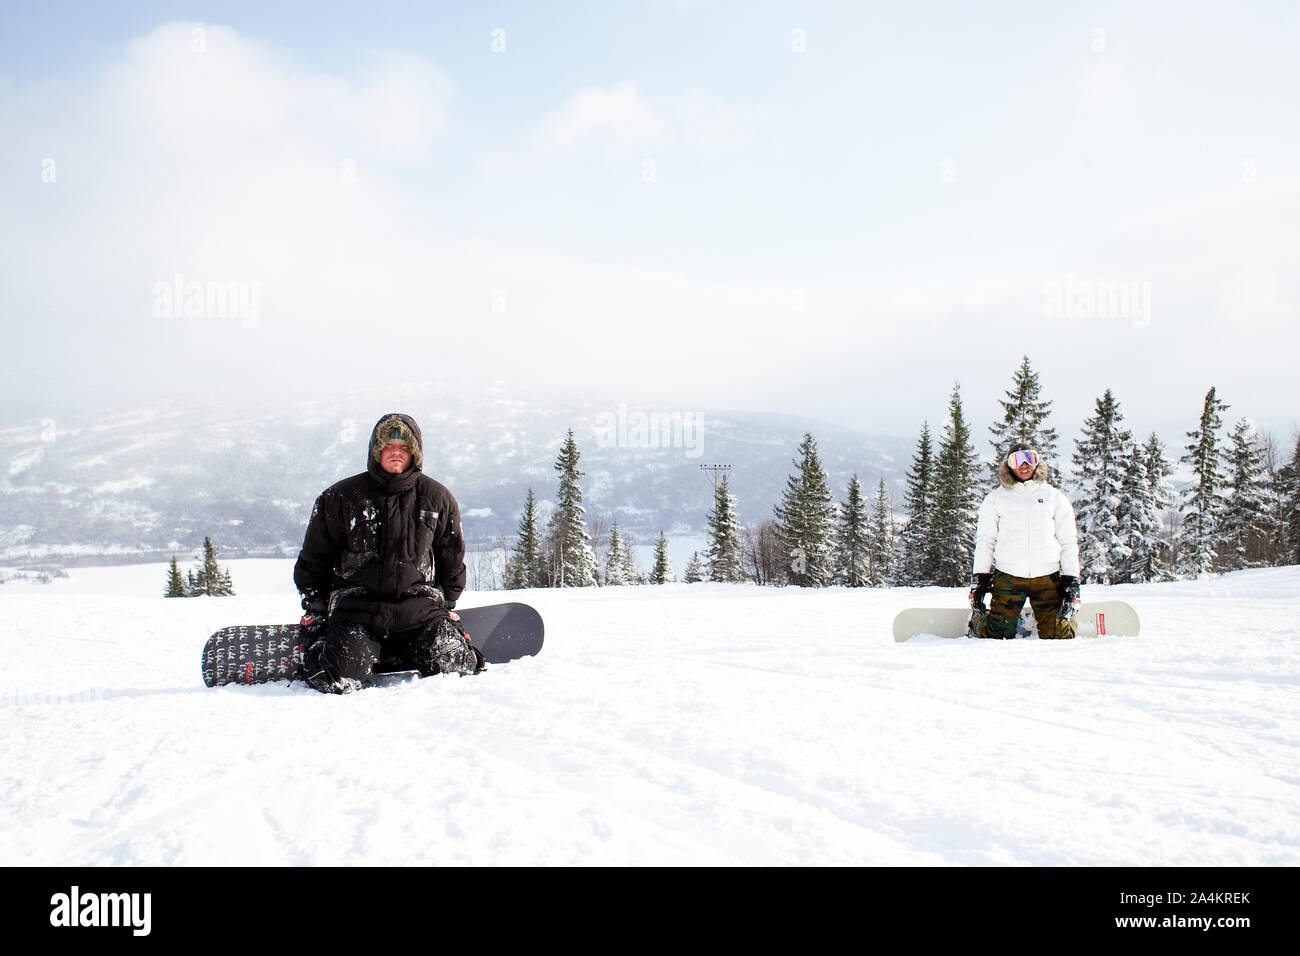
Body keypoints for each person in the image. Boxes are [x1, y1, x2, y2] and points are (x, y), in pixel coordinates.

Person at [293, 412, 484, 693]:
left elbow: (451, 558)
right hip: (356, 612)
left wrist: (449, 604)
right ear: (375, 451)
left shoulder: (437, 498)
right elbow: (314, 559)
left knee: (456, 667)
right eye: (388, 446)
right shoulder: (339, 498)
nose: (396, 452)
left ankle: (436, 644)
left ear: (415, 453)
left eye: (404, 448)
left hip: (420, 613)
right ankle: (323, 648)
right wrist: (316, 609)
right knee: (338, 678)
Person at [968, 444, 1082, 639]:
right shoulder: (996, 499)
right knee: (997, 635)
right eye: (1016, 460)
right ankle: (977, 622)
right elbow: (986, 541)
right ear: (1008, 466)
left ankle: (1062, 620)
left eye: (1029, 458)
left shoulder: (1053, 497)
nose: (1024, 465)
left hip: (1047, 576)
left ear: (1037, 462)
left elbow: (1068, 541)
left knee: (1058, 635)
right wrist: (980, 578)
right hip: (1008, 576)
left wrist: (1071, 579)